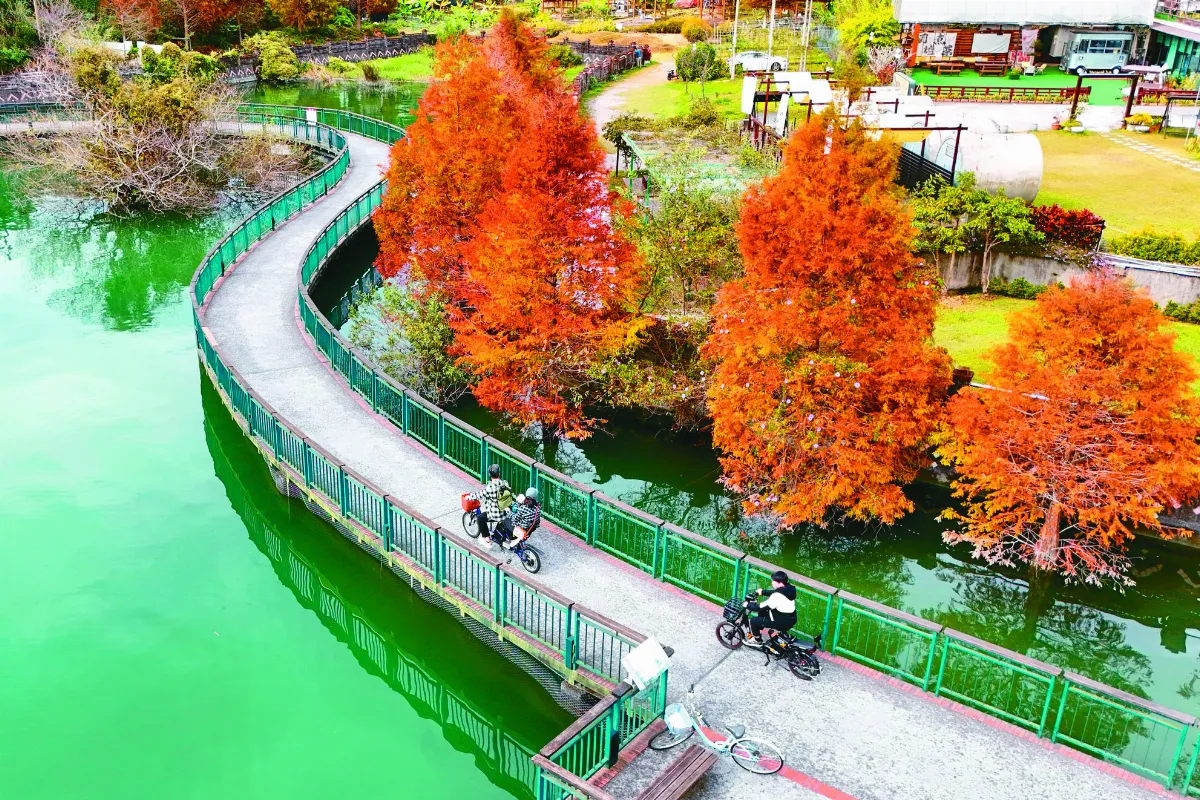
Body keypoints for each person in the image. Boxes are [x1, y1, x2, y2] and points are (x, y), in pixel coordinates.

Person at [744, 570, 798, 647]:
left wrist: (747, 605)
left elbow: (760, 607)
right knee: (763, 613)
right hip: (790, 618)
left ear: (780, 583)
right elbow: (776, 592)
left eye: (774, 581)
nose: (772, 582)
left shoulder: (778, 597)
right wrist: (763, 592)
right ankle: (760, 626)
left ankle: (757, 640)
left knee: (753, 620)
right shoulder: (788, 589)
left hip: (781, 622)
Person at [467, 465, 510, 540]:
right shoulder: (505, 483)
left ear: (489, 475)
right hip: (505, 512)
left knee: (480, 518)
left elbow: (479, 495)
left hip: (495, 515)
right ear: (499, 474)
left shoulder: (490, 488)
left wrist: (470, 497)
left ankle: (487, 539)